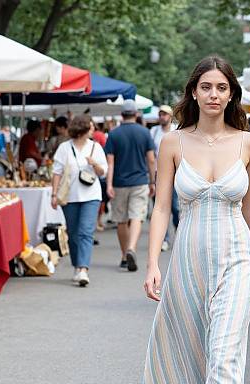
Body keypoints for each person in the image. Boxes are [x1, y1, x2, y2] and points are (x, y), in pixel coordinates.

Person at [142, 55, 250, 384]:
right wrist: (154, 262)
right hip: (189, 258)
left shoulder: (249, 144)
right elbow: (160, 208)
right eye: (206, 86)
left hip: (237, 258)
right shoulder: (172, 142)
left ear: (231, 93)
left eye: (221, 87)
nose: (214, 94)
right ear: (193, 92)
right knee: (199, 354)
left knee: (225, 354)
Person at [51, 115, 108, 286]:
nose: (93, 130)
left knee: (85, 232)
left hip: (91, 196)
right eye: (90, 127)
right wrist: (54, 194)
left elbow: (103, 172)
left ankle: (83, 269)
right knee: (73, 233)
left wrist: (94, 164)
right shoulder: (64, 148)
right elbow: (56, 172)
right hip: (70, 197)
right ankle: (77, 265)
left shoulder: (95, 147)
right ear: (82, 129)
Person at [105, 99, 156, 271]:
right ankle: (131, 248)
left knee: (121, 220)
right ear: (136, 114)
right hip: (140, 181)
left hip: (119, 182)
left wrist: (109, 184)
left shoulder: (113, 134)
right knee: (136, 216)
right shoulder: (144, 133)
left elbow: (110, 163)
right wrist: (153, 181)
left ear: (122, 115)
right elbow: (151, 160)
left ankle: (123, 255)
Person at [150, 105, 179, 251]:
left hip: (174, 174)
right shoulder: (154, 131)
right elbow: (150, 154)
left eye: (165, 114)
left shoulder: (176, 131)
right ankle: (164, 238)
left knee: (175, 206)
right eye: (160, 114)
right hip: (157, 173)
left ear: (170, 116)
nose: (162, 117)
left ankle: (180, 234)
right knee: (160, 206)